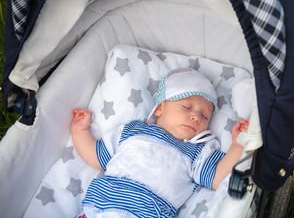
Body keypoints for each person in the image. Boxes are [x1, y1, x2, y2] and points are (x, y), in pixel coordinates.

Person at [71, 68, 249, 218]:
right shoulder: (133, 131)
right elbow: (97, 156)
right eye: (187, 107)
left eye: (204, 116)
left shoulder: (197, 151)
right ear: (159, 108)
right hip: (98, 206)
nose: (196, 117)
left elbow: (219, 178)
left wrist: (238, 146)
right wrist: (80, 131)